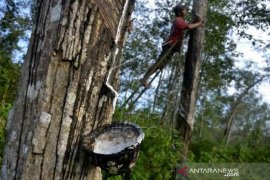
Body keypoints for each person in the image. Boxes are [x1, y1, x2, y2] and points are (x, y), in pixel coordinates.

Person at [140, 4, 204, 88]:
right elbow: (188, 26)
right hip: (170, 45)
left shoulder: (181, 21)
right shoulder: (178, 20)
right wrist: (199, 23)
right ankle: (144, 79)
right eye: (184, 10)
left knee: (160, 65)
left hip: (173, 46)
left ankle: (145, 78)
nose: (186, 11)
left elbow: (187, 26)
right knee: (159, 63)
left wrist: (195, 21)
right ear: (179, 12)